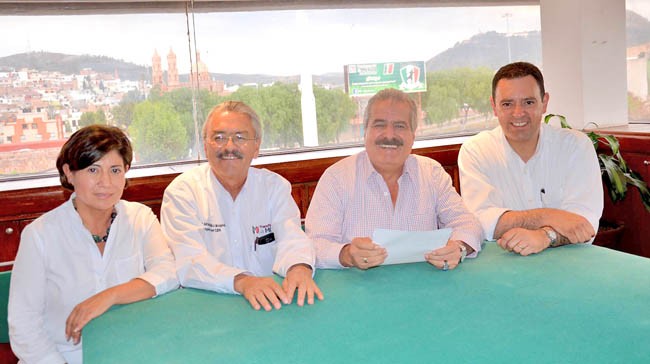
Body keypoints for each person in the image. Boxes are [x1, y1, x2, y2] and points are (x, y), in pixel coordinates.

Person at [8, 125, 179, 364]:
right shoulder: (40, 235)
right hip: (60, 357)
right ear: (69, 173)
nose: (105, 182)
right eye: (93, 170)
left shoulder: (140, 218)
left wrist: (109, 296)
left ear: (126, 172)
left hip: (130, 352)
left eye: (115, 170)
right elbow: (23, 324)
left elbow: (168, 273)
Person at [161, 101, 323, 312]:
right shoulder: (183, 192)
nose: (229, 146)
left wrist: (298, 268)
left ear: (256, 146)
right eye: (218, 137)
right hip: (209, 307)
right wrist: (243, 281)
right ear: (205, 144)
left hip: (271, 304)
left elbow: (292, 238)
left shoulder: (274, 187)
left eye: (240, 137)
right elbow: (189, 261)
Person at [305, 88, 483, 271]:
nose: (389, 135)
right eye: (379, 125)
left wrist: (459, 248)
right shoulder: (336, 179)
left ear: (413, 135)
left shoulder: (432, 174)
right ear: (365, 131)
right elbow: (314, 244)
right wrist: (346, 254)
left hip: (425, 289)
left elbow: (468, 223)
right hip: (359, 292)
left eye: (400, 126)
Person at [458, 61, 603, 256]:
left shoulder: (575, 146)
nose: (518, 113)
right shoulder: (476, 150)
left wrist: (545, 237)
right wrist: (550, 215)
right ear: (494, 106)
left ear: (544, 102)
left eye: (528, 102)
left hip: (570, 262)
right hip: (503, 265)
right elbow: (479, 221)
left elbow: (584, 223)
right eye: (507, 104)